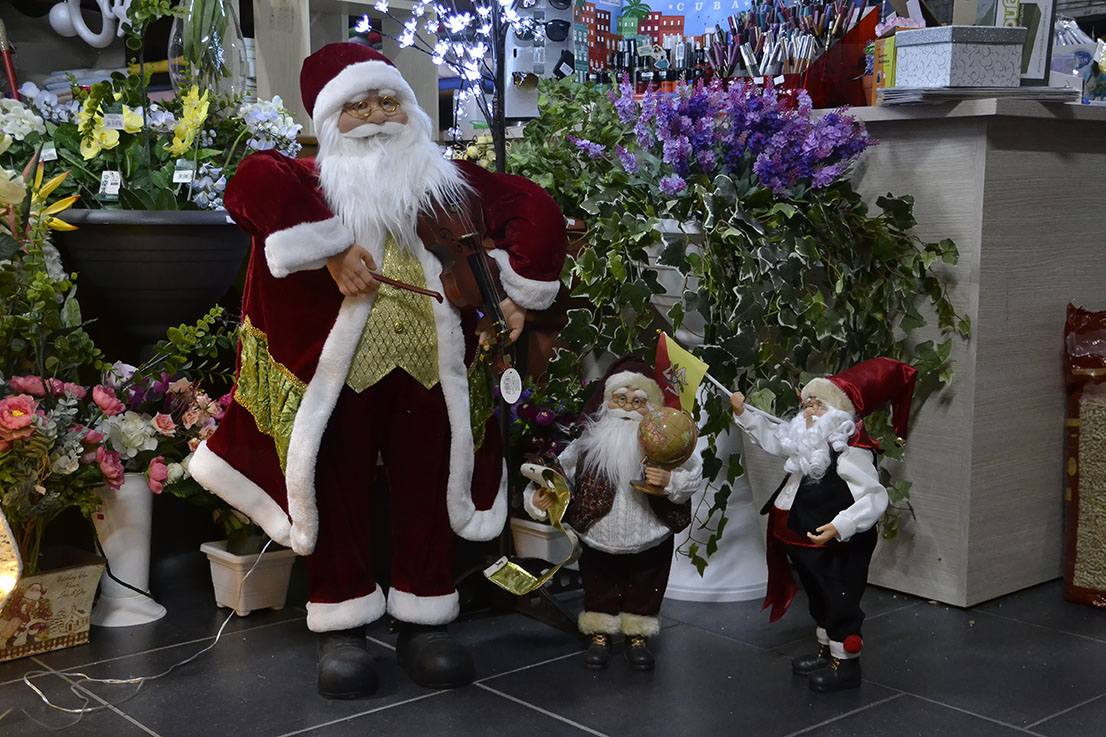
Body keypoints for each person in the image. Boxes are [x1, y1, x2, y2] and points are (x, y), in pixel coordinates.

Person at [190, 43, 567, 698]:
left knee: (429, 487)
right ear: (328, 119)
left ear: (410, 110)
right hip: (339, 375)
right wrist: (331, 249)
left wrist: (519, 290)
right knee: (336, 489)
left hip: (431, 369)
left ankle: (425, 618)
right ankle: (343, 623)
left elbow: (535, 208)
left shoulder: (446, 183)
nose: (375, 116)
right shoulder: (308, 181)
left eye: (388, 101)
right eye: (356, 105)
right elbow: (249, 182)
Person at [730, 357, 917, 693]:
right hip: (799, 538)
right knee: (817, 596)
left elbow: (874, 497)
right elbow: (774, 439)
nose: (810, 411)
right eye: (808, 404)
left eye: (819, 405)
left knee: (838, 597)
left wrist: (841, 525)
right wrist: (744, 414)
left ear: (839, 415)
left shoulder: (851, 452)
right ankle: (826, 650)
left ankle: (845, 662)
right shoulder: (806, 445)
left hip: (833, 544)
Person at [524, 358, 702, 671]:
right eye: (621, 399)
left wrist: (670, 480)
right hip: (598, 531)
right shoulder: (587, 444)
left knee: (646, 584)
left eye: (638, 401)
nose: (628, 407)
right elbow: (558, 471)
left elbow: (692, 473)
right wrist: (541, 495)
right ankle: (600, 633)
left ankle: (638, 635)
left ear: (651, 407)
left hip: (649, 533)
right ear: (608, 401)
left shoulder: (666, 445)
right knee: (598, 583)